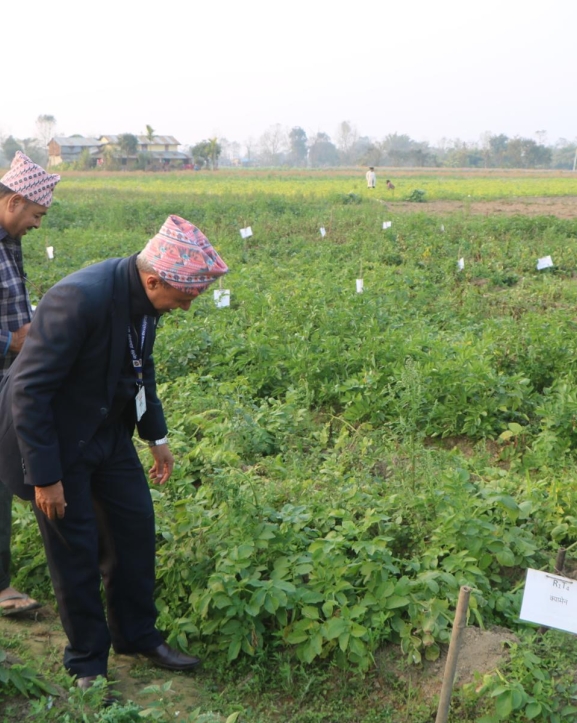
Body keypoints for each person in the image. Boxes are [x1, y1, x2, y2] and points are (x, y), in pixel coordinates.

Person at [0, 214, 229, 690]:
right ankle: (86, 662)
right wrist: (45, 475)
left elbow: (139, 365)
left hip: (107, 433)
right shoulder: (79, 298)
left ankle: (136, 635)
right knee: (75, 552)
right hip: (57, 442)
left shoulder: (147, 302)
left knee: (134, 531)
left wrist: (156, 435)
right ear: (153, 280)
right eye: (184, 298)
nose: (185, 308)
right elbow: (27, 391)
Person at [0, 152, 60, 616]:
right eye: (37, 215)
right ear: (13, 201)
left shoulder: (9, 240)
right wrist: (11, 342)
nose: (38, 224)